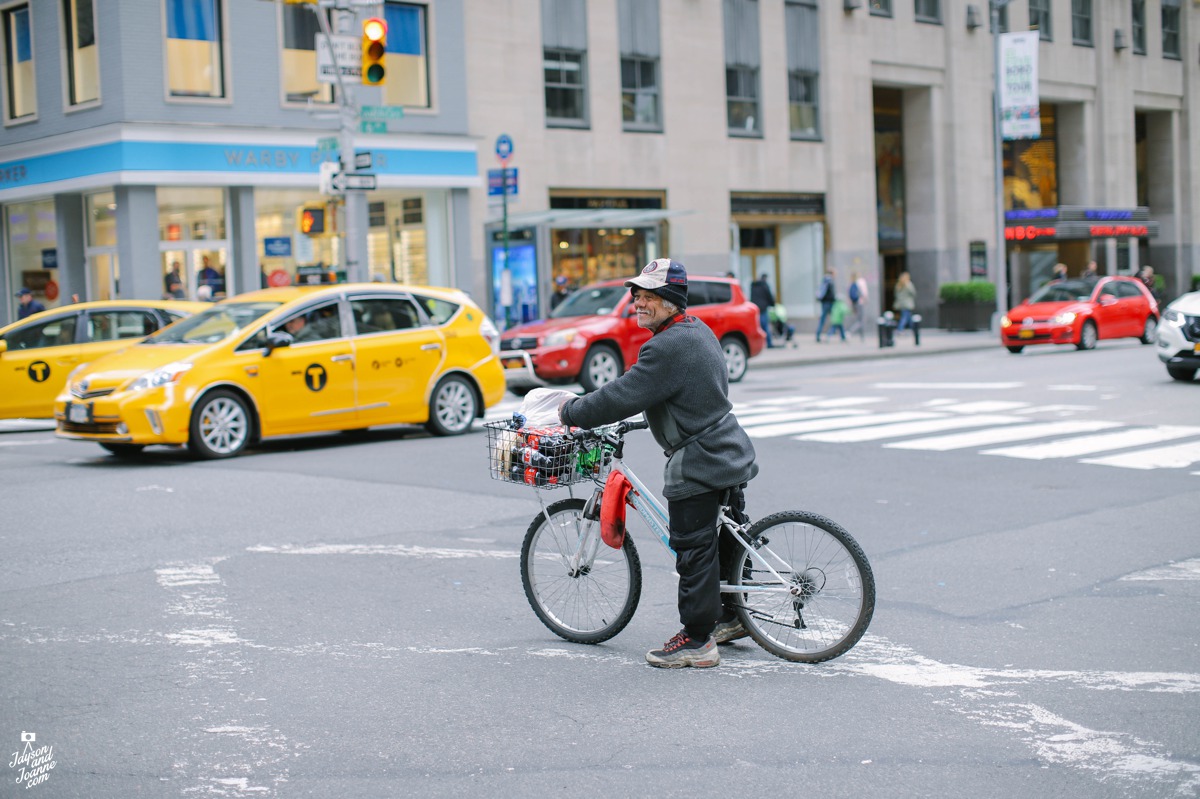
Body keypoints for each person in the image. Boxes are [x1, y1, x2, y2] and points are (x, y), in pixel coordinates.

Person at [558, 258, 758, 669]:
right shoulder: (696, 330)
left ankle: (698, 641)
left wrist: (571, 411)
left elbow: (622, 393)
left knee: (692, 549)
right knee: (724, 541)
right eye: (637, 295)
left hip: (702, 460)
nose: (639, 303)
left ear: (671, 301)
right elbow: (680, 392)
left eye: (650, 296)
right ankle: (733, 617)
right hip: (729, 447)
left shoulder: (667, 346)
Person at [750, 273, 775, 348]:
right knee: (765, 326)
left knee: (758, 327)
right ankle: (769, 343)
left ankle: (758, 344)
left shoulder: (753, 286)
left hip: (756, 308)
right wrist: (772, 304)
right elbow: (769, 296)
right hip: (763, 308)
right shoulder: (764, 285)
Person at [815, 268, 836, 342]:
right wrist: (834, 299)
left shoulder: (824, 280)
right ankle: (828, 334)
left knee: (827, 319)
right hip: (828, 303)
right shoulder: (829, 281)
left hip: (825, 303)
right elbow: (831, 294)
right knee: (835, 319)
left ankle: (818, 334)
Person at [847, 271, 868, 340]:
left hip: (854, 303)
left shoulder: (851, 283)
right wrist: (865, 299)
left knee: (859, 320)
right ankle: (850, 332)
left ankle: (862, 336)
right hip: (860, 303)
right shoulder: (861, 282)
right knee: (860, 320)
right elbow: (864, 293)